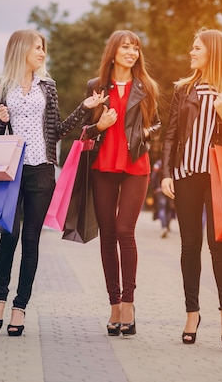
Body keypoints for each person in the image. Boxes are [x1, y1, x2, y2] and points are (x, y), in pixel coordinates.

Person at [0, 29, 106, 336]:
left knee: (31, 241)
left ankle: (19, 307)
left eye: (43, 49)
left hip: (41, 171)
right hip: (10, 173)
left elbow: (58, 130)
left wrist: (85, 107)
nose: (42, 53)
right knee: (8, 237)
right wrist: (0, 119)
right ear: (21, 49)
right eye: (37, 48)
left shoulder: (47, 87)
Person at [161, 28, 222, 346]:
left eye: (196, 48)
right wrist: (167, 172)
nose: (191, 52)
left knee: (219, 245)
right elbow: (170, 134)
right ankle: (192, 313)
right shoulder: (183, 89)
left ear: (212, 51)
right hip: (186, 175)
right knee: (189, 246)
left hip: (218, 178)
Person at [81, 30, 161, 337]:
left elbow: (157, 124)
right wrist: (99, 125)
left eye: (136, 48)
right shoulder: (96, 87)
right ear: (113, 52)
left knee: (126, 231)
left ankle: (129, 303)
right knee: (108, 234)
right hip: (103, 166)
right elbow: (84, 132)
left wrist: (142, 137)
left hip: (135, 167)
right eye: (126, 47)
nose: (132, 52)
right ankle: (113, 305)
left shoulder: (147, 87)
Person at [150, 160, 175, 238]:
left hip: (160, 189)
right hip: (171, 189)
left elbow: (153, 177)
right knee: (169, 209)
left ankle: (164, 227)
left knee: (162, 208)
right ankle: (167, 227)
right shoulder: (173, 163)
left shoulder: (158, 164)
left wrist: (154, 188)